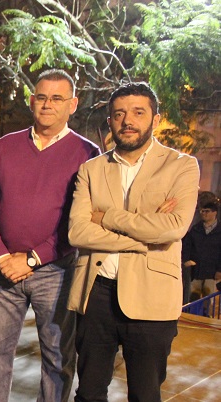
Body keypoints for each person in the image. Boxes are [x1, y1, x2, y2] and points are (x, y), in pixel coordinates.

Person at [67, 82, 199, 401]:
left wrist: (108, 216)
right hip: (95, 292)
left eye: (139, 112)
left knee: (144, 393)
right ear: (110, 121)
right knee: (88, 392)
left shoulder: (181, 166)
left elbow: (172, 227)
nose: (128, 120)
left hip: (152, 296)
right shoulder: (91, 170)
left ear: (155, 119)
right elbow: (77, 232)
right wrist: (141, 239)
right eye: (119, 114)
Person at [0, 69, 100, 402]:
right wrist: (2, 256)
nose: (48, 104)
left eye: (57, 98)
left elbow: (80, 221)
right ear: (32, 101)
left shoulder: (88, 155)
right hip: (5, 270)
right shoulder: (5, 146)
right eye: (41, 97)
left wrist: (32, 258)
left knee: (57, 357)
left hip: (56, 271)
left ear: (73, 104)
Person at [183, 199, 221, 302]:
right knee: (192, 298)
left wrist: (219, 270)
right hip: (196, 270)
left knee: (208, 299)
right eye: (202, 211)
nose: (204, 214)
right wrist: (185, 260)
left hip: (211, 272)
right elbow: (187, 246)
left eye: (207, 211)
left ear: (215, 212)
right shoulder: (196, 229)